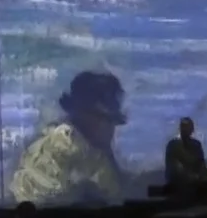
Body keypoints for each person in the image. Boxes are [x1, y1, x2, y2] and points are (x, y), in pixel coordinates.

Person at [10, 71, 128, 206]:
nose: (110, 128)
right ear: (82, 114)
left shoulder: (95, 151)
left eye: (112, 121)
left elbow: (117, 191)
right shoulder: (58, 149)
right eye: (104, 119)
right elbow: (41, 203)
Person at [164, 117, 207, 198]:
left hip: (195, 181)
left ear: (192, 129)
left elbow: (201, 164)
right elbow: (174, 168)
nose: (185, 130)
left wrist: (203, 177)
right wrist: (191, 177)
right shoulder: (173, 145)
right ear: (180, 129)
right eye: (183, 127)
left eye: (187, 127)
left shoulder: (196, 144)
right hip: (178, 182)